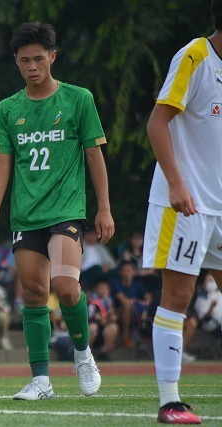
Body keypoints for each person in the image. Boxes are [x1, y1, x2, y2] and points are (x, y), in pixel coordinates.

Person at [0, 22, 114, 401]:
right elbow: (3, 163)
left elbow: (94, 154)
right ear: (17, 63)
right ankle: (41, 380)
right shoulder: (8, 108)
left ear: (52, 57)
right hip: (25, 216)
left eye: (39, 58)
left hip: (66, 211)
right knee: (35, 295)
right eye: (25, 61)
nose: (32, 67)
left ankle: (83, 354)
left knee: (66, 287)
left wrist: (104, 208)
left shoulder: (78, 99)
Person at [142, 1, 222, 422]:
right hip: (187, 204)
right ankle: (169, 402)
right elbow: (157, 122)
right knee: (178, 297)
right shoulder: (196, 55)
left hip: (221, 206)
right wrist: (176, 183)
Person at [110, 260, 153, 347]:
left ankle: (145, 336)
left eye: (129, 270)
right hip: (118, 312)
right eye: (124, 270)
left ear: (133, 272)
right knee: (127, 306)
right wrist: (137, 302)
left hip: (136, 310)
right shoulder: (116, 284)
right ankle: (125, 337)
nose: (126, 273)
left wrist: (143, 302)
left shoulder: (137, 284)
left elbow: (148, 297)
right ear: (120, 272)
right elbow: (123, 300)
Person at [88, 280, 119, 361]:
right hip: (93, 325)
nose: (103, 290)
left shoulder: (109, 300)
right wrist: (98, 319)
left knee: (114, 328)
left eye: (105, 288)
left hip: (104, 327)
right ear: (96, 289)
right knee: (92, 327)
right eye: (100, 288)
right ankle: (87, 354)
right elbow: (90, 315)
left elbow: (113, 315)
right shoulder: (91, 299)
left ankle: (103, 352)